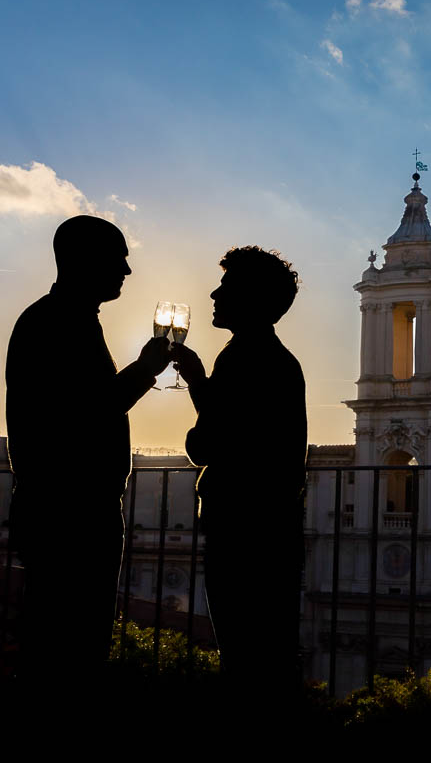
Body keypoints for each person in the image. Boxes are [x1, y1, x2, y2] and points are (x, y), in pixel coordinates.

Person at [6, 215, 170, 686]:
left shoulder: (60, 319)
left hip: (63, 506)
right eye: (119, 258)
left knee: (60, 636)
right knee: (71, 642)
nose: (127, 270)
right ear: (84, 261)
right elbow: (90, 411)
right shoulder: (59, 323)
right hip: (69, 511)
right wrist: (144, 370)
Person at [169, 246, 307, 696]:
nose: (214, 293)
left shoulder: (241, 358)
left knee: (243, 657)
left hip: (241, 528)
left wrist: (196, 385)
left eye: (226, 286)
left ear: (250, 298)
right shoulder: (278, 360)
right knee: (268, 655)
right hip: (272, 527)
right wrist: (200, 384)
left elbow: (206, 443)